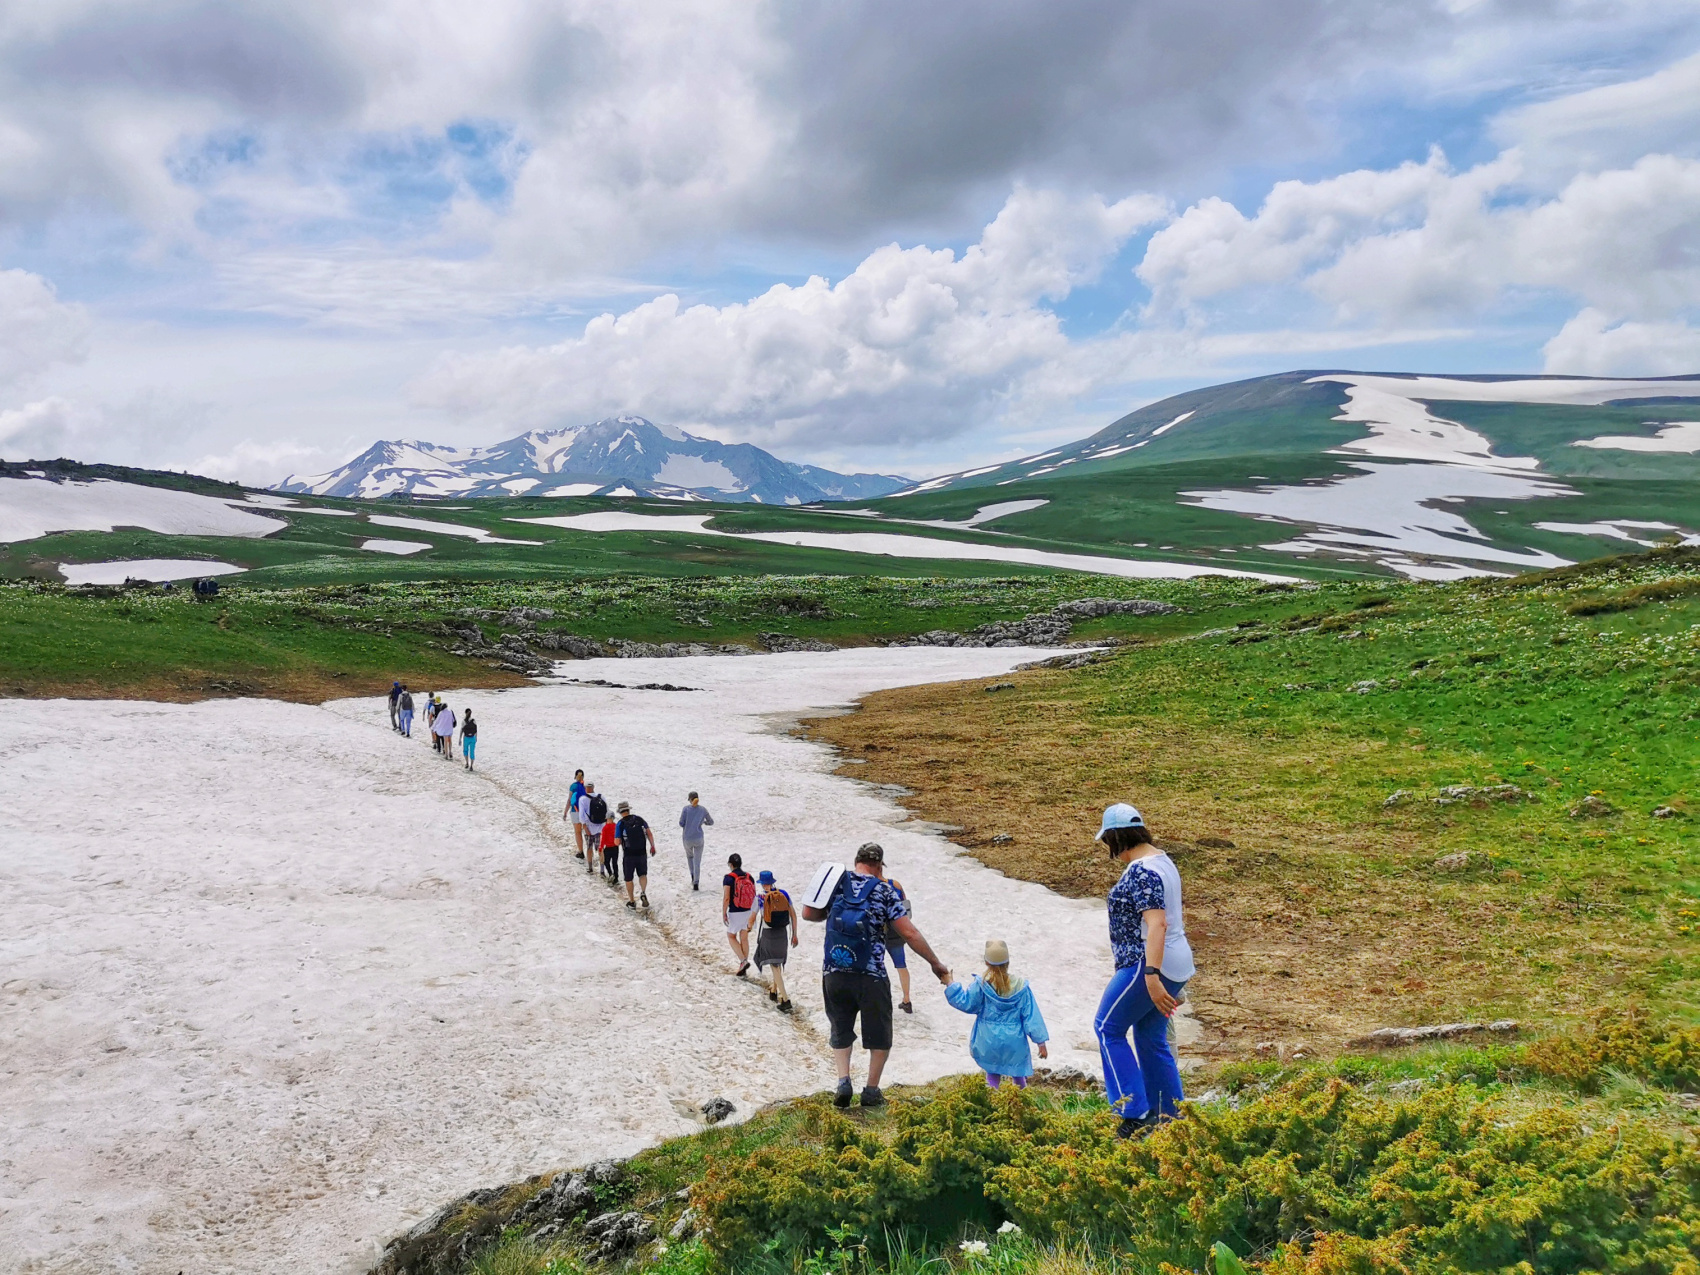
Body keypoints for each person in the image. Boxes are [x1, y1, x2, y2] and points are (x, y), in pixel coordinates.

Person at [801, 843, 950, 1109]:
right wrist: (935, 963)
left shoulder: (836, 882)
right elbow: (909, 933)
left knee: (840, 1027)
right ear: (879, 866)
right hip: (871, 975)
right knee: (880, 1033)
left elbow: (808, 914)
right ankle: (870, 1090)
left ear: (855, 860)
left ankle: (843, 1081)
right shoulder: (885, 890)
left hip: (834, 972)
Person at [1092, 804, 1195, 1139]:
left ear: (1117, 837)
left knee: (1108, 1028)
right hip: (1178, 962)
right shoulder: (1163, 861)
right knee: (1151, 1038)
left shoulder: (1140, 871)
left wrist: (1150, 975)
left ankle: (1133, 1113)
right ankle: (1171, 1116)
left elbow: (1156, 924)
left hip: (1147, 962)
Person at [944, 940, 1050, 1089]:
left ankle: (993, 1104)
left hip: (988, 1040)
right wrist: (1041, 1043)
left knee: (992, 1074)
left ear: (986, 962)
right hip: (1015, 1041)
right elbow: (1032, 1016)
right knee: (1018, 1075)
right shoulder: (1021, 987)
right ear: (1008, 961)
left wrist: (950, 983)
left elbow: (966, 1003)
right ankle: (1021, 1104)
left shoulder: (981, 985)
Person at [753, 870, 798, 1012]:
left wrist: (748, 927)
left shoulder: (760, 897)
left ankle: (785, 999)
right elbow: (793, 914)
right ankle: (773, 990)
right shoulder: (783, 894)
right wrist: (794, 934)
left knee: (774, 965)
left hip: (768, 933)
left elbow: (753, 915)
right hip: (782, 932)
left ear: (762, 883)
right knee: (777, 961)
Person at [614, 801, 656, 910]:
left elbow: (617, 842)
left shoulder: (621, 823)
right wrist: (652, 846)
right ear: (628, 810)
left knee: (629, 878)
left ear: (620, 812)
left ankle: (632, 901)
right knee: (642, 874)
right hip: (641, 852)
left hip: (628, 855)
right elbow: (649, 833)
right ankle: (643, 892)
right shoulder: (639, 819)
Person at [722, 854, 759, 974]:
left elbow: (727, 898)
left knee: (731, 936)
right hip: (748, 910)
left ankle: (743, 961)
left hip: (735, 911)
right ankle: (744, 964)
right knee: (744, 938)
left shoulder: (728, 878)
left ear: (730, 864)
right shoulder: (749, 876)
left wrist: (724, 913)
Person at [883, 875, 914, 1014]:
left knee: (873, 966)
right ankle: (907, 999)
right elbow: (905, 906)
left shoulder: (870, 887)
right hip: (897, 931)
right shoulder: (895, 884)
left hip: (878, 932)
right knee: (901, 965)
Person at [679, 792, 714, 891]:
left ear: (690, 799)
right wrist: (703, 823)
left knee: (690, 857)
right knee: (697, 861)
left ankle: (692, 876)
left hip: (687, 838)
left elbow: (681, 823)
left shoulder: (685, 809)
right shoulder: (703, 809)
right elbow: (711, 822)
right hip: (699, 838)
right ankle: (696, 883)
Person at [579, 784, 607, 874]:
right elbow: (606, 810)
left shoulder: (583, 799)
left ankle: (590, 868)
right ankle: (602, 869)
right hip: (600, 828)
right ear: (593, 787)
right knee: (600, 849)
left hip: (589, 828)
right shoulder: (601, 796)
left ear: (586, 788)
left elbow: (581, 814)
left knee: (589, 848)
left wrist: (584, 826)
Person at [566, 770, 588, 860]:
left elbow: (570, 800)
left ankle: (581, 851)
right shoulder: (585, 787)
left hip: (575, 811)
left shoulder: (573, 786)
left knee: (578, 832)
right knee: (587, 832)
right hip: (585, 812)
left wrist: (565, 812)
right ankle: (591, 850)